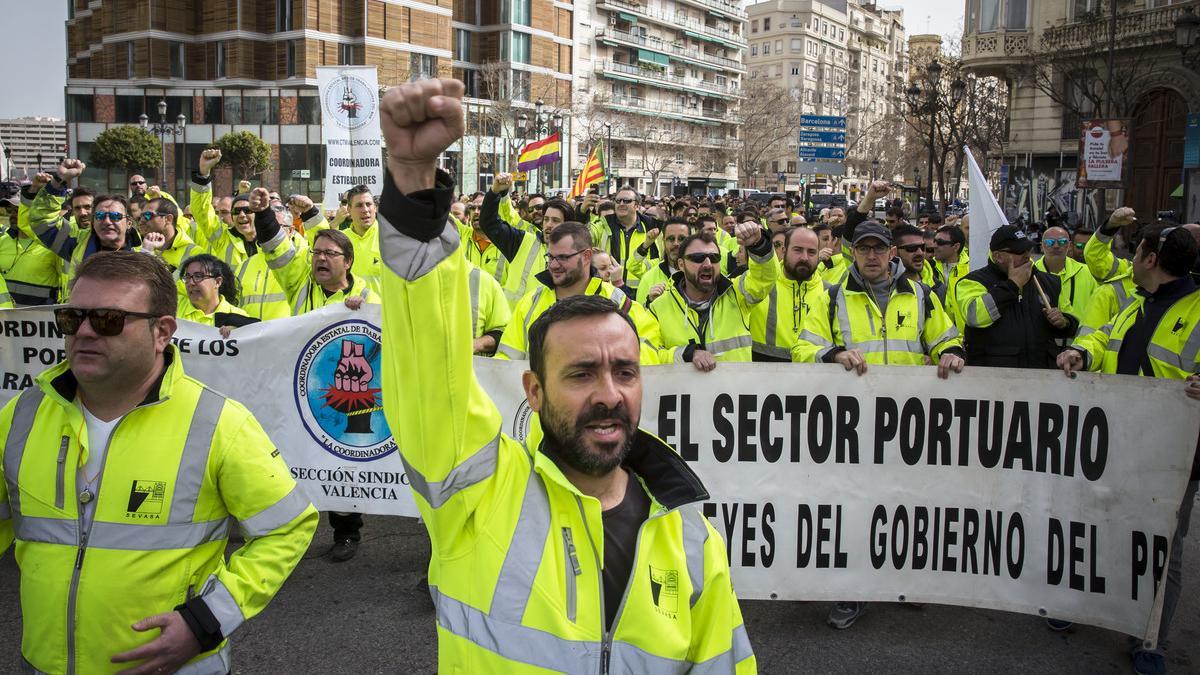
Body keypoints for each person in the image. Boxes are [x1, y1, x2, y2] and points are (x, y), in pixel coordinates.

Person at [374, 77, 755, 673]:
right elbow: (427, 372)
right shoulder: (475, 494)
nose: (609, 394)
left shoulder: (691, 534)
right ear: (534, 390)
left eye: (625, 371)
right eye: (581, 373)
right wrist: (413, 181)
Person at [0, 251, 317, 674]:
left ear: (162, 332)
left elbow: (288, 528)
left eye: (109, 319)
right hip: (43, 663)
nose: (85, 333)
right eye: (72, 318)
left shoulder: (218, 422)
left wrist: (207, 621)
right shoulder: (21, 414)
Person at [1057, 224, 1200, 675]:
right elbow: (1105, 341)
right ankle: (1085, 606)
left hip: (1173, 455)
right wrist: (1081, 351)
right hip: (1118, 443)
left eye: (1137, 251)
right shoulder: (1138, 304)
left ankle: (1150, 638)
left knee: (1164, 547)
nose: (1133, 259)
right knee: (1098, 525)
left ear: (1151, 259)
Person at [494, 221, 662, 364]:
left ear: (587, 256)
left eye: (562, 258)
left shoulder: (615, 301)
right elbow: (506, 360)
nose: (553, 265)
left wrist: (614, 363)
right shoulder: (531, 302)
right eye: (550, 257)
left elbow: (649, 344)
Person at [649, 224, 778, 369]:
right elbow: (649, 355)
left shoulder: (737, 294)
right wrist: (686, 354)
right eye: (698, 258)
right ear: (681, 264)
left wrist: (759, 244)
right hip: (683, 391)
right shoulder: (657, 308)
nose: (708, 264)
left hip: (735, 389)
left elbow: (765, 278)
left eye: (714, 257)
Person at [955, 225, 1078, 368]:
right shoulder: (972, 282)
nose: (1027, 255)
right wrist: (1012, 285)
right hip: (993, 376)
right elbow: (975, 316)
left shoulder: (1049, 282)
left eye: (1028, 249)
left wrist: (1064, 322)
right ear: (998, 256)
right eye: (1019, 251)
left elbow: (1072, 320)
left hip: (1041, 375)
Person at [22, 160, 139, 301]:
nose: (107, 222)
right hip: (81, 319)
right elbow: (41, 220)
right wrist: (59, 180)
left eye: (115, 216)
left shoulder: (144, 252)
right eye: (100, 216)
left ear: (129, 223)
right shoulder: (77, 242)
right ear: (93, 221)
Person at [252, 188, 380, 317]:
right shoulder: (301, 286)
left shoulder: (366, 298)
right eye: (316, 252)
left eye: (330, 253)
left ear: (348, 261)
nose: (322, 258)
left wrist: (367, 310)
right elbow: (280, 251)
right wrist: (264, 215)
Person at [480, 173, 573, 305]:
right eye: (546, 219)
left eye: (555, 220)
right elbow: (488, 223)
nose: (549, 225)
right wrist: (494, 192)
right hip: (516, 323)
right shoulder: (521, 241)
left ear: (568, 225)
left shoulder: (575, 255)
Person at [751, 226, 830, 362]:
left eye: (811, 252)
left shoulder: (830, 292)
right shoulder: (761, 285)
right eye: (798, 250)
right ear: (784, 250)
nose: (804, 258)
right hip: (764, 374)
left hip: (815, 375)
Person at [1, 186, 62, 305]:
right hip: (6, 319)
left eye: (19, 210)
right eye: (10, 210)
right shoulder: (2, 241)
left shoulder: (51, 246)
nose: (13, 215)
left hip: (40, 319)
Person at [1034, 224, 1097, 328]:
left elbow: (1097, 309)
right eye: (1050, 242)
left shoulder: (1087, 272)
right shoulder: (1031, 274)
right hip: (1041, 341)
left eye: (1062, 242)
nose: (1056, 246)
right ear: (1042, 246)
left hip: (1077, 341)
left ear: (1069, 245)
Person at [177, 253, 249, 328]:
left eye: (198, 276)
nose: (191, 283)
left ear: (217, 282)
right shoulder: (173, 307)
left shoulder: (238, 316)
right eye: (187, 277)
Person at [633, 218, 691, 305]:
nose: (676, 243)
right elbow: (641, 316)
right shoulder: (648, 279)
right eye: (671, 239)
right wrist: (650, 302)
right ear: (663, 241)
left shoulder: (701, 275)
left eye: (681, 238)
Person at [893, 223, 945, 299]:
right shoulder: (886, 290)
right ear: (894, 252)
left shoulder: (938, 287)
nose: (920, 253)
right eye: (911, 248)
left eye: (922, 247)